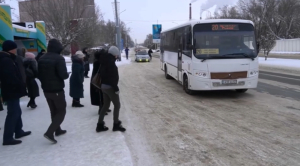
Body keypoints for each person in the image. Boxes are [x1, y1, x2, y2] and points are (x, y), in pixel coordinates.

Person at [0, 40, 31, 146]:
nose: (15, 50)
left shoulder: (7, 58)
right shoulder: (6, 60)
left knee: (17, 111)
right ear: (11, 49)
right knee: (13, 113)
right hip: (11, 90)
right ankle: (7, 137)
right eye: (14, 48)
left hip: (11, 90)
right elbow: (10, 77)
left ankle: (18, 131)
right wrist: (20, 84)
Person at [38, 39, 69, 144]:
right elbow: (63, 75)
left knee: (53, 110)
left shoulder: (41, 58)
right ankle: (49, 132)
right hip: (56, 89)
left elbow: (39, 74)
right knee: (61, 110)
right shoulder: (59, 59)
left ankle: (58, 129)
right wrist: (67, 74)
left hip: (46, 89)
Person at [96, 46, 126, 133]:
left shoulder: (104, 60)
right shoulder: (110, 63)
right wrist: (116, 88)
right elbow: (112, 78)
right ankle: (116, 124)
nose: (117, 56)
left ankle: (100, 124)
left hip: (103, 86)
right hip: (110, 87)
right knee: (117, 105)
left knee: (105, 105)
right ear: (114, 54)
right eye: (116, 54)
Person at [90, 49, 111, 115]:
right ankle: (101, 109)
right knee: (101, 95)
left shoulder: (98, 61)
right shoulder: (99, 62)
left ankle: (105, 107)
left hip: (99, 79)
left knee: (105, 94)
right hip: (98, 80)